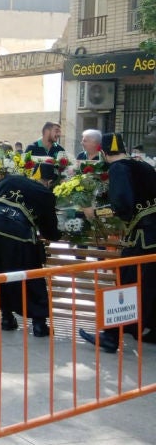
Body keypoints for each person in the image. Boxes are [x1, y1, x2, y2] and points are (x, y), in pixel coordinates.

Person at [80, 133, 156, 353]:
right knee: (151, 285)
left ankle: (111, 336)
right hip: (152, 236)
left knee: (126, 284)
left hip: (142, 238)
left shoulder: (118, 169)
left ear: (103, 152)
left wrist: (95, 211)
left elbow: (122, 206)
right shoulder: (143, 166)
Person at [0, 163, 61, 337]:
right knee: (30, 276)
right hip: (16, 234)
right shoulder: (45, 194)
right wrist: (59, 234)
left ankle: (6, 317)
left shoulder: (10, 180)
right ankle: (39, 325)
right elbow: (49, 231)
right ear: (49, 181)